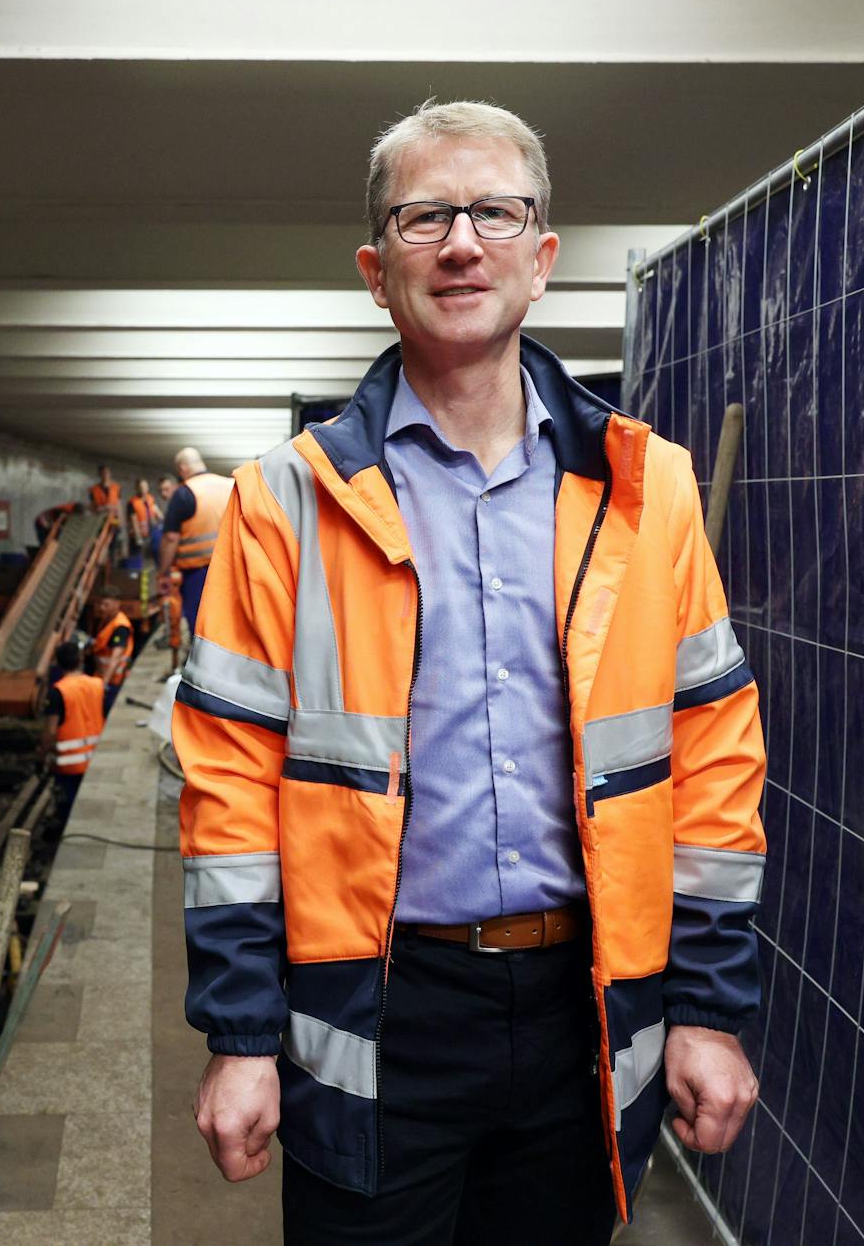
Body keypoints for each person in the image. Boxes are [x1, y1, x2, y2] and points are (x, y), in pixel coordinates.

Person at [174, 100, 766, 1243]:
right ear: (373, 268)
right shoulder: (284, 502)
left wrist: (706, 1010)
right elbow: (227, 789)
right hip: (377, 1008)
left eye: (494, 213)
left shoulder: (650, 491)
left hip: (579, 1005)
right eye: (423, 217)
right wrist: (241, 1035)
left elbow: (711, 760)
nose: (459, 243)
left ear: (541, 260)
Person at [157, 447, 233, 636]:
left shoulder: (184, 493)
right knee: (230, 621)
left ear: (182, 468)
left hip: (198, 574)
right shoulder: (230, 484)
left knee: (202, 626)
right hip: (233, 568)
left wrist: (163, 572)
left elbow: (170, 538)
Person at [40, 641, 103, 830]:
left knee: (68, 807)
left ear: (58, 664)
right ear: (81, 659)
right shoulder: (97, 684)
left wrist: (42, 755)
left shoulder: (58, 691)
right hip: (94, 758)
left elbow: (50, 731)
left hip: (69, 764)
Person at [89, 589, 134, 713]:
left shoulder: (120, 627)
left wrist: (104, 684)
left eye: (106, 605)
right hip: (101, 677)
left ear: (116, 604)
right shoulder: (106, 620)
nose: (102, 608)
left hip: (113, 681)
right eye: (100, 604)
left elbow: (115, 658)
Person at [89, 465, 125, 558]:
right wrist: (104, 508)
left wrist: (121, 522)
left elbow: (119, 505)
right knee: (98, 545)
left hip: (114, 520)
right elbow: (93, 508)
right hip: (100, 521)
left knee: (113, 546)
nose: (105, 475)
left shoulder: (116, 487)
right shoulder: (93, 490)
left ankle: (110, 566)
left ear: (110, 474)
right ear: (99, 474)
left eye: (107, 473)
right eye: (103, 473)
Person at [129, 478, 161, 567]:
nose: (143, 489)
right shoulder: (132, 503)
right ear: (137, 488)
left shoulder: (151, 499)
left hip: (151, 534)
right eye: (141, 487)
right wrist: (138, 538)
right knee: (137, 559)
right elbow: (134, 521)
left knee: (151, 560)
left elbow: (158, 513)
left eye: (145, 486)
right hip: (138, 536)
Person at [153, 476, 178, 566]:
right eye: (161, 490)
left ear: (175, 487)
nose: (163, 494)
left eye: (166, 489)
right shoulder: (169, 505)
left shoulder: (183, 505)